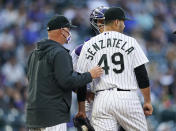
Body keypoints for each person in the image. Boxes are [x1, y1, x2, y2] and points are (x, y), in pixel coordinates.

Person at [76, 7, 153, 131]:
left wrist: (81, 109)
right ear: (117, 22)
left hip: (102, 99)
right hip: (127, 98)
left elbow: (81, 81)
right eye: (123, 21)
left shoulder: (88, 45)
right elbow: (141, 75)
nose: (124, 25)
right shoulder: (130, 41)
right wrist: (147, 101)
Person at [26, 15, 103, 131]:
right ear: (63, 31)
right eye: (69, 29)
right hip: (53, 115)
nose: (69, 33)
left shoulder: (34, 53)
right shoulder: (60, 52)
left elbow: (48, 80)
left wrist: (80, 91)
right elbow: (66, 81)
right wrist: (89, 75)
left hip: (33, 115)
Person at [72, 6, 125, 131]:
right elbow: (67, 78)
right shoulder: (81, 49)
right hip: (92, 102)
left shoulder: (123, 46)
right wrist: (84, 93)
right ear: (95, 23)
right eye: (103, 21)